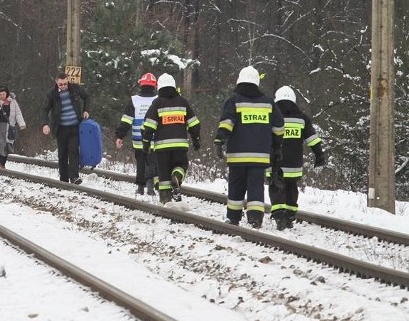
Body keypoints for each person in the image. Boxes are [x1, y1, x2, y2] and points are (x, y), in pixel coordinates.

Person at [214, 66, 284, 228]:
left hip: (237, 155)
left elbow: (227, 123)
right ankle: (255, 218)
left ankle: (233, 218)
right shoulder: (268, 103)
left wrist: (219, 141)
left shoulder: (234, 101)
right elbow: (279, 127)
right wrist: (276, 146)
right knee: (256, 188)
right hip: (259, 156)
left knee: (236, 187)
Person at [270, 86, 327, 230]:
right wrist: (319, 154)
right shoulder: (302, 118)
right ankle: (289, 216)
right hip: (294, 163)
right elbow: (312, 139)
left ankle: (279, 216)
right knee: (291, 188)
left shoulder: (272, 116)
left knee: (276, 187)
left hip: (276, 162)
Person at [140, 73, 201, 204]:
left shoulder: (157, 103)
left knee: (163, 174)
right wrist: (196, 139)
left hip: (162, 148)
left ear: (159, 88)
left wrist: (146, 143)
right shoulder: (183, 102)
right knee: (181, 165)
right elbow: (194, 123)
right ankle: (177, 176)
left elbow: (149, 125)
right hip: (180, 146)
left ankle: (166, 201)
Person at [40, 73, 90, 184]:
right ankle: (64, 178)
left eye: (65, 84)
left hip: (74, 127)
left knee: (73, 151)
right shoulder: (51, 94)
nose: (63, 86)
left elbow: (87, 96)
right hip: (60, 128)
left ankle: (74, 177)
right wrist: (45, 124)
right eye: (61, 84)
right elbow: (44, 110)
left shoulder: (75, 89)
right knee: (62, 154)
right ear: (56, 82)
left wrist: (86, 110)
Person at [115, 73, 159, 195]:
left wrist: (120, 136)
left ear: (141, 84)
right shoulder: (158, 100)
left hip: (138, 139)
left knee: (140, 162)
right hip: (153, 139)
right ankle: (150, 185)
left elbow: (126, 120)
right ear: (154, 86)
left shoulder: (134, 100)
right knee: (152, 161)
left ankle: (140, 187)